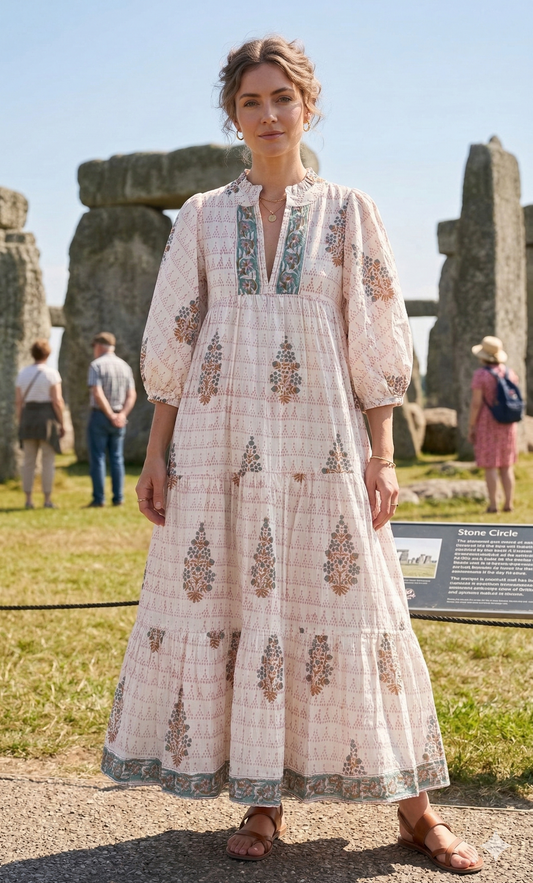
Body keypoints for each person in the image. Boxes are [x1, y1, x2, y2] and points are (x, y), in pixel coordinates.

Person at [101, 37, 482, 875]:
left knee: (357, 605)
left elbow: (375, 338)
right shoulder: (203, 215)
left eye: (281, 98)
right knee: (240, 599)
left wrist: (383, 458)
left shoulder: (349, 211)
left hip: (322, 443)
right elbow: (172, 337)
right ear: (232, 116)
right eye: (250, 102)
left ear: (307, 106)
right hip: (214, 439)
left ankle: (415, 810)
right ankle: (261, 800)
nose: (268, 115)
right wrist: (154, 454)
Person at [468, 335, 519, 513]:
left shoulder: (480, 375)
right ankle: (509, 503)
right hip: (508, 422)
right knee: (506, 465)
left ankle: (493, 505)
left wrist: (472, 426)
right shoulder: (510, 372)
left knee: (490, 465)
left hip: (487, 422)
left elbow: (476, 403)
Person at [86, 332, 136, 507]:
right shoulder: (125, 366)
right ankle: (118, 497)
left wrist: (109, 415)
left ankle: (99, 499)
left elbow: (97, 393)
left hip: (101, 415)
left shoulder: (96, 365)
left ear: (99, 346)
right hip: (120, 417)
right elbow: (132, 394)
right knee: (117, 458)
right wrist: (122, 415)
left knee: (98, 457)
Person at [16, 339, 65, 509]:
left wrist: (20, 422)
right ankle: (47, 500)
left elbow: (18, 402)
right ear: (48, 354)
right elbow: (57, 401)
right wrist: (62, 422)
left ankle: (28, 500)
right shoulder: (51, 374)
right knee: (47, 461)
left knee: (28, 461)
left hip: (28, 417)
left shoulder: (22, 374)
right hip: (47, 420)